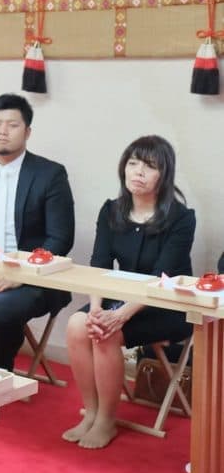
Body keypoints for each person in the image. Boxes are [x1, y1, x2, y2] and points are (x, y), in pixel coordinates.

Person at [62, 135, 195, 449]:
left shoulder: (181, 218)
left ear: (164, 174)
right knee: (78, 324)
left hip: (167, 304)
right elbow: (99, 265)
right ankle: (91, 412)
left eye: (149, 166)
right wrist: (97, 308)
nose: (138, 172)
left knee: (106, 333)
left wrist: (118, 316)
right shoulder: (111, 210)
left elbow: (161, 276)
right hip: (119, 298)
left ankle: (106, 420)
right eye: (133, 163)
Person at [0, 93, 75, 370]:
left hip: (31, 277)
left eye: (12, 125)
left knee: (1, 310)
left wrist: (19, 273)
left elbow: (61, 238)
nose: (2, 131)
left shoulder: (50, 174)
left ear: (27, 132)